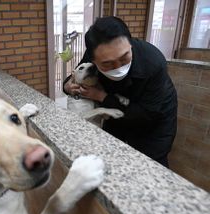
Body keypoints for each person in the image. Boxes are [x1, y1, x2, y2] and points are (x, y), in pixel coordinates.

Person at [63, 16, 177, 167]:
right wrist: (67, 87)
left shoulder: (154, 63)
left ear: (130, 44)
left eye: (124, 58)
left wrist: (101, 96)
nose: (117, 67)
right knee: (111, 154)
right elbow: (74, 77)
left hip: (153, 117)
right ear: (93, 59)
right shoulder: (95, 52)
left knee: (150, 165)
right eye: (107, 64)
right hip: (115, 108)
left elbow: (145, 115)